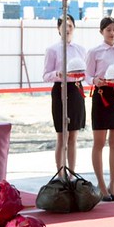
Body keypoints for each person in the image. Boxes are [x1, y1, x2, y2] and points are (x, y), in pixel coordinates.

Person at [85, 17, 114, 201]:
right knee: (99, 142)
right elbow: (87, 75)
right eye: (109, 30)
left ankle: (113, 183)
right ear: (101, 32)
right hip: (101, 95)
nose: (112, 33)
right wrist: (95, 80)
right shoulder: (94, 52)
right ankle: (101, 184)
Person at [42, 14, 86, 173]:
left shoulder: (81, 50)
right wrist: (57, 74)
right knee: (62, 137)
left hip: (76, 91)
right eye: (64, 26)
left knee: (74, 137)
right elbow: (46, 75)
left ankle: (72, 173)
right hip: (60, 90)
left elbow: (85, 74)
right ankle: (61, 174)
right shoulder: (52, 50)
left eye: (70, 26)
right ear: (58, 29)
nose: (67, 29)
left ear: (74, 28)